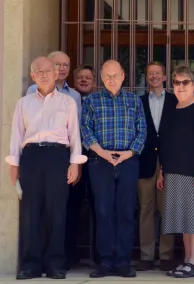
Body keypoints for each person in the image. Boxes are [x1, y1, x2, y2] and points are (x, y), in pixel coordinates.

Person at [6, 56, 86, 280]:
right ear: (33, 76)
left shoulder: (68, 102)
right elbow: (16, 135)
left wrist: (74, 163)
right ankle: (30, 265)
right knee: (31, 211)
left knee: (57, 211)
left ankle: (55, 264)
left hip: (58, 156)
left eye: (48, 70)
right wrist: (14, 164)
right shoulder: (24, 103)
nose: (43, 74)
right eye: (38, 71)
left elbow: (74, 136)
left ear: (56, 73)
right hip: (31, 156)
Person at [81, 60, 146, 278]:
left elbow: (142, 131)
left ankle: (123, 262)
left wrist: (128, 153)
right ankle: (105, 262)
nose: (111, 79)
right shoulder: (91, 101)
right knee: (103, 212)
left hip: (127, 161)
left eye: (115, 75)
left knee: (126, 212)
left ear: (123, 75)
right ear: (101, 77)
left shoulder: (134, 101)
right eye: (107, 75)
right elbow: (86, 131)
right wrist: (103, 153)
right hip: (100, 161)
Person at [157, 66, 194, 278]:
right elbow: (166, 141)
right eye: (177, 82)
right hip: (173, 172)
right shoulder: (172, 108)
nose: (180, 86)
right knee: (183, 219)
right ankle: (186, 261)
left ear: (193, 85)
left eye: (185, 82)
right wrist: (163, 171)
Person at [135, 62, 177, 271]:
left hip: (169, 162)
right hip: (145, 162)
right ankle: (146, 255)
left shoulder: (175, 100)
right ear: (147, 77)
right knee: (146, 209)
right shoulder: (138, 102)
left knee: (167, 209)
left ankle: (167, 255)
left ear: (164, 77)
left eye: (157, 73)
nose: (154, 77)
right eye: (150, 73)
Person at [65, 64, 98, 269]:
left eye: (88, 78)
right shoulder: (68, 100)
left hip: (96, 159)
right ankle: (69, 255)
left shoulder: (98, 101)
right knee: (71, 208)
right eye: (80, 77)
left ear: (95, 82)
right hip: (72, 160)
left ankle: (98, 256)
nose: (84, 80)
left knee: (98, 207)